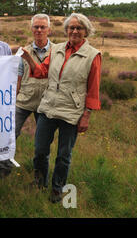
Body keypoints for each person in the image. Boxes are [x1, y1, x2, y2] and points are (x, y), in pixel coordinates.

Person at [20, 13, 101, 203]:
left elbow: (93, 89)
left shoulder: (92, 55)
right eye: (71, 27)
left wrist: (86, 115)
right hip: (48, 107)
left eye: (79, 28)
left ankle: (57, 189)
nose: (74, 31)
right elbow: (41, 72)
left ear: (86, 31)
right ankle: (40, 182)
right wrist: (28, 58)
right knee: (40, 150)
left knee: (64, 155)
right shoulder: (56, 50)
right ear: (66, 30)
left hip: (72, 112)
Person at [0, 14, 54, 178]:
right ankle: (4, 166)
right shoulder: (24, 52)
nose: (39, 30)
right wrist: (12, 101)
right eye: (36, 27)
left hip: (46, 103)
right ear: (31, 29)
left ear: (49, 29)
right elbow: (18, 78)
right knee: (10, 133)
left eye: (43, 27)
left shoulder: (56, 51)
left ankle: (40, 175)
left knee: (42, 143)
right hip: (24, 101)